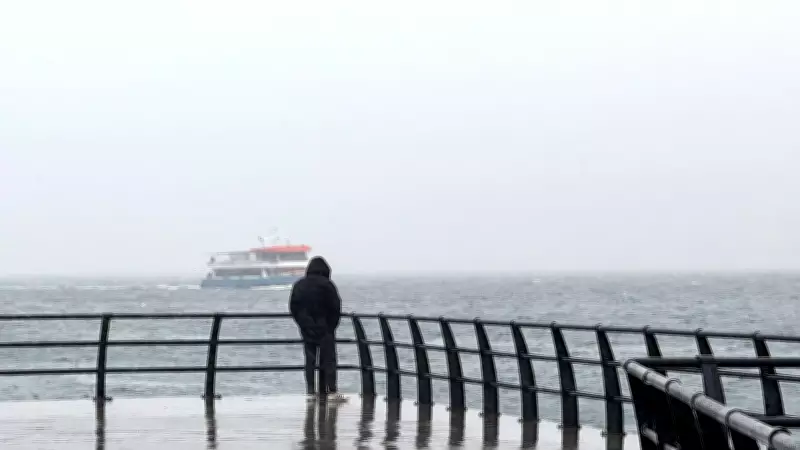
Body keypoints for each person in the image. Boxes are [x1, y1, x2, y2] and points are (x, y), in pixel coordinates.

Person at [289, 256, 346, 402]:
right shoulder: (328, 285)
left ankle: (310, 391)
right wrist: (331, 326)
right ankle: (331, 390)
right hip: (325, 328)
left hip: (306, 328)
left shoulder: (299, 285)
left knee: (310, 359)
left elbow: (293, 307)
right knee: (329, 360)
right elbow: (335, 307)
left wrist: (302, 323)